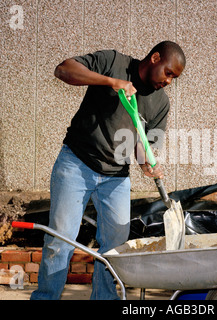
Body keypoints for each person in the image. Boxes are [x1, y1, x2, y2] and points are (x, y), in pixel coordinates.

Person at [31, 41, 186, 300]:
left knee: (115, 248)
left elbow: (143, 144)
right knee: (61, 241)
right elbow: (63, 70)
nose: (169, 81)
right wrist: (110, 82)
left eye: (175, 78)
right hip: (76, 164)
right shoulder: (114, 62)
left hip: (116, 177)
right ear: (155, 57)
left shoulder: (161, 103)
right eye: (168, 73)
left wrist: (146, 163)